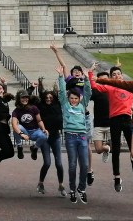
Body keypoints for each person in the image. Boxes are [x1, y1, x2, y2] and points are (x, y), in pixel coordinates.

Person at [88, 64, 133, 191]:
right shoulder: (110, 87)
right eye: (114, 74)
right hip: (115, 120)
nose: (117, 75)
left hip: (127, 120)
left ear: (122, 75)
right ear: (111, 77)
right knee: (116, 150)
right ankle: (117, 177)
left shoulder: (130, 88)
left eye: (118, 73)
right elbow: (94, 86)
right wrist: (90, 73)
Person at [56, 62, 92, 204]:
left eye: (76, 98)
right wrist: (60, 76)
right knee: (72, 165)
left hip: (82, 136)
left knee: (84, 165)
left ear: (79, 99)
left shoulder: (83, 104)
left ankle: (81, 189)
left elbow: (88, 92)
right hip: (70, 136)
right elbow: (62, 92)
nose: (73, 100)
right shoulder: (65, 104)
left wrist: (87, 78)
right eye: (72, 98)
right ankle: (72, 189)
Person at [33, 76, 66, 197]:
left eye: (50, 97)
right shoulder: (40, 105)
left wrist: (58, 82)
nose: (48, 99)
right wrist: (38, 84)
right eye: (46, 97)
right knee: (47, 163)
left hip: (56, 136)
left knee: (59, 163)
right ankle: (40, 183)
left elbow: (60, 93)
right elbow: (32, 98)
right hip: (45, 137)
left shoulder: (57, 104)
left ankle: (61, 185)